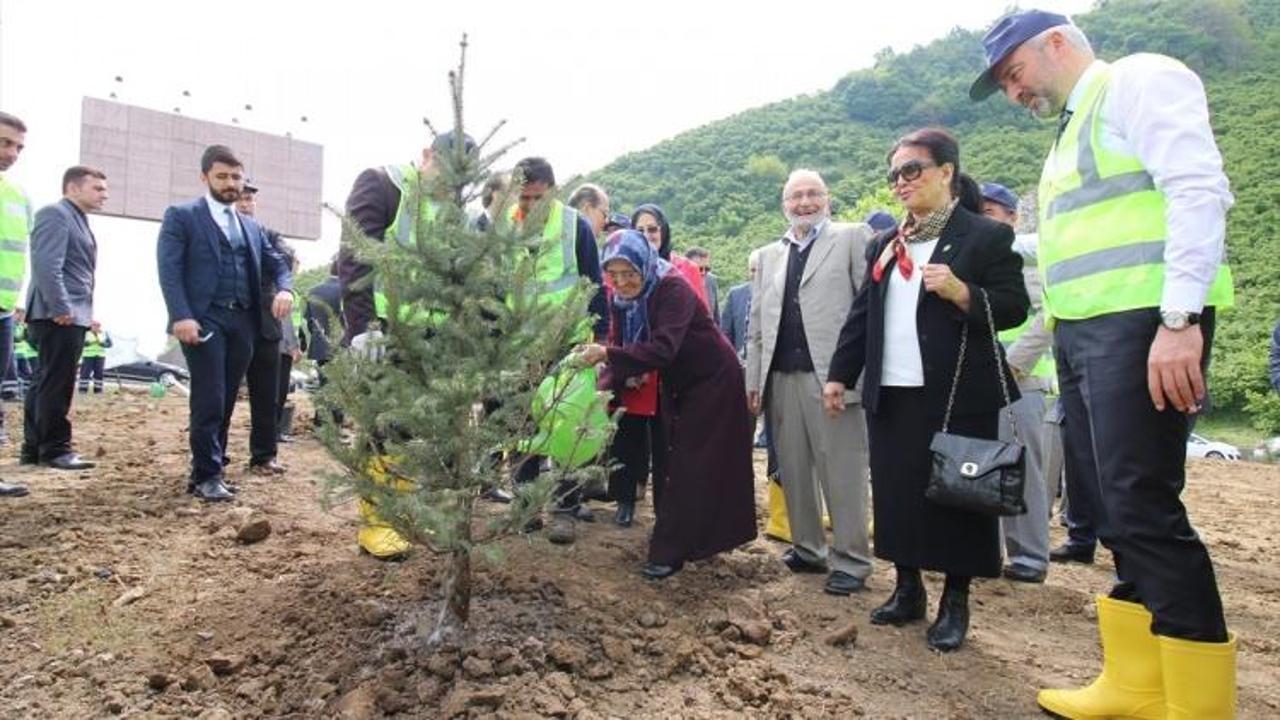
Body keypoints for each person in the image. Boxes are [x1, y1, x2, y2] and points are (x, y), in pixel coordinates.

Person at [972, 9, 1237, 715]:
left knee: (1144, 505)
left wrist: (1179, 320)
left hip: (1145, 325)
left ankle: (1197, 704)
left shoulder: (1138, 82)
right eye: (1003, 83)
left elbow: (1197, 190)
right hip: (1086, 337)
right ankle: (1137, 682)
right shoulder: (1068, 135)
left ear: (1056, 44)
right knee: (1110, 510)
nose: (1013, 93)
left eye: (1014, 73)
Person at [824, 128, 1029, 652]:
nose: (901, 182)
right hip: (892, 391)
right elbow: (862, 318)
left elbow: (1012, 307)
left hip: (958, 393)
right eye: (894, 174)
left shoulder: (983, 237)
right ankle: (907, 588)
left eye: (911, 170)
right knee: (896, 493)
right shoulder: (886, 244)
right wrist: (839, 375)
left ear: (946, 172)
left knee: (959, 496)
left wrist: (963, 292)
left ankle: (955, 602)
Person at [578, 229, 755, 579]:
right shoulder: (621, 299)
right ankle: (683, 540)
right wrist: (598, 391)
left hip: (712, 380)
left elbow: (662, 348)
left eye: (629, 273)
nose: (621, 282)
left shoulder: (671, 288)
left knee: (689, 463)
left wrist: (607, 355)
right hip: (678, 384)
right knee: (670, 459)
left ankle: (672, 551)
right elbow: (624, 343)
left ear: (645, 264)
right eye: (612, 275)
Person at [747, 169, 876, 596]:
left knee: (842, 471)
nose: (804, 202)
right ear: (784, 205)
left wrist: (855, 374)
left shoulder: (853, 237)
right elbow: (756, 325)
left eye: (812, 194)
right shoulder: (768, 256)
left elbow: (867, 312)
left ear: (828, 198)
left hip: (832, 378)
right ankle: (807, 548)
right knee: (795, 468)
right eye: (795, 196)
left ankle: (852, 560)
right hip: (780, 377)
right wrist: (754, 378)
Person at [157, 145, 293, 502]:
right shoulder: (182, 216)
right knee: (210, 397)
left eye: (236, 177)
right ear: (205, 178)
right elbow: (169, 270)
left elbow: (277, 262)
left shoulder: (250, 226)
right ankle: (206, 475)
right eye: (222, 176)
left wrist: (286, 290)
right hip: (203, 319)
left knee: (229, 395)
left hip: (243, 321)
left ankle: (209, 467)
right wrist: (181, 315)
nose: (230, 183)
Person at [504, 157, 607, 544]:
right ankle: (526, 505)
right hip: (518, 346)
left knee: (566, 424)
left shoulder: (573, 225)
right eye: (523, 197)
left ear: (553, 190)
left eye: (537, 197)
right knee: (523, 427)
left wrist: (596, 341)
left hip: (567, 344)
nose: (530, 205)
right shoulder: (504, 228)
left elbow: (593, 285)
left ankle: (564, 509)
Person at [980, 181, 1052, 584]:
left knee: (1022, 469)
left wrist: (1012, 366)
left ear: (1012, 216)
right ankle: (988, 551)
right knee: (980, 468)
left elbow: (1047, 317)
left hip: (1019, 380)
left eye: (991, 211)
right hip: (978, 378)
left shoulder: (1028, 255)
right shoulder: (973, 254)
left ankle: (1028, 558)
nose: (983, 217)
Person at [22, 166, 110, 471]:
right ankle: (55, 449)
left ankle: (34, 448)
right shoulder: (56, 215)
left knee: (45, 380)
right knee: (56, 382)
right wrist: (61, 307)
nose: (104, 194)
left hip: (67, 312)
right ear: (73, 188)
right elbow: (47, 265)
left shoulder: (77, 219)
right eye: (97, 188)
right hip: (58, 314)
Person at [236, 179, 289, 475]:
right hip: (230, 318)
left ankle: (264, 455)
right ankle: (212, 457)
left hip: (266, 321)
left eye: (249, 199)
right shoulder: (220, 233)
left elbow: (285, 263)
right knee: (221, 393)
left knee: (267, 394)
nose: (245, 203)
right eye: (241, 199)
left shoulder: (266, 235)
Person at [0, 111, 30, 448]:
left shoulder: (17, 196)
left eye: (18, 147)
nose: (12, 153)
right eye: (5, 143)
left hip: (5, 308)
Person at [305, 259, 343, 427]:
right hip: (341, 345)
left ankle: (320, 422)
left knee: (324, 383)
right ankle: (334, 423)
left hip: (320, 345)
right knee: (340, 386)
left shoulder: (313, 291)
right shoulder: (347, 291)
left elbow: (308, 321)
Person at [720, 251, 756, 359]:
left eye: (760, 270)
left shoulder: (778, 295)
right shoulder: (735, 295)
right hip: (742, 362)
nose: (756, 274)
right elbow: (725, 332)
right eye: (752, 270)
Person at [685, 247, 719, 324]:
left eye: (706, 269)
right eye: (699, 269)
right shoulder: (678, 286)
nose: (703, 272)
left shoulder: (711, 281)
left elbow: (716, 317)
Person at [78, 324, 112, 394]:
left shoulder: (104, 333)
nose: (96, 327)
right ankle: (83, 389)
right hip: (88, 355)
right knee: (85, 373)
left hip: (100, 356)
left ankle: (98, 390)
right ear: (91, 326)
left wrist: (103, 344)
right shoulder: (86, 333)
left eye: (98, 326)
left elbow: (110, 344)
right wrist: (88, 343)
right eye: (94, 325)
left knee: (99, 373)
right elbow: (80, 342)